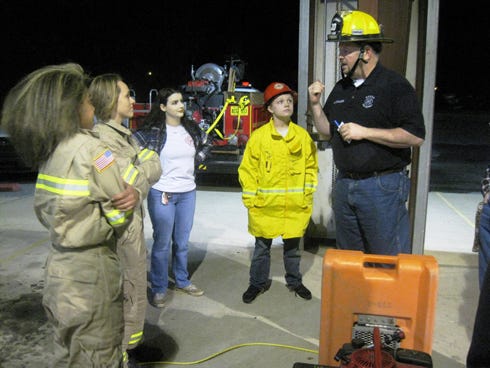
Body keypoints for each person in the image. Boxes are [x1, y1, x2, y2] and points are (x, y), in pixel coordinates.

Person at [1, 63, 135, 367]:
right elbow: (118, 213)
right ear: (74, 107)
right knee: (99, 355)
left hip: (59, 269)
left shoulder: (51, 150)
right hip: (92, 272)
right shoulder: (96, 151)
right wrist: (132, 197)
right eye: (88, 100)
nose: (93, 107)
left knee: (67, 352)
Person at [307, 10, 425, 256]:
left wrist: (365, 132)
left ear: (367, 53)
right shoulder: (342, 88)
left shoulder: (395, 86)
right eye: (340, 49)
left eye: (346, 50)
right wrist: (316, 105)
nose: (340, 56)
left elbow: (415, 136)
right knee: (349, 259)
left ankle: (384, 297)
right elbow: (327, 131)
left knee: (385, 258)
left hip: (381, 186)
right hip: (345, 184)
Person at [88, 74, 162, 367]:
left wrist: (144, 166)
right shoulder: (102, 140)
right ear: (109, 100)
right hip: (120, 229)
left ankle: (131, 346)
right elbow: (128, 181)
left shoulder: (123, 135)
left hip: (131, 224)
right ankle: (119, 352)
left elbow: (152, 162)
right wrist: (143, 167)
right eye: (126, 95)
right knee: (123, 290)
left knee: (134, 284)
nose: (133, 100)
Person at [238, 82, 318, 304]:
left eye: (289, 101)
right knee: (261, 249)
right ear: (270, 108)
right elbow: (247, 170)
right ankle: (257, 283)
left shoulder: (302, 137)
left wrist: (307, 194)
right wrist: (251, 200)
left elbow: (311, 167)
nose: (286, 104)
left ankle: (294, 281)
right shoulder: (259, 138)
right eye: (280, 101)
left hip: (294, 207)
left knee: (293, 250)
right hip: (265, 206)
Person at [133, 87, 212, 308]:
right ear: (162, 107)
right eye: (175, 102)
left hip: (188, 192)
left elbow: (208, 142)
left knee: (182, 242)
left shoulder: (191, 129)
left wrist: (198, 158)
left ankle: (182, 280)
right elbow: (128, 149)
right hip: (162, 192)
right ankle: (159, 288)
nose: (181, 106)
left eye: (182, 102)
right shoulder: (151, 131)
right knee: (162, 244)